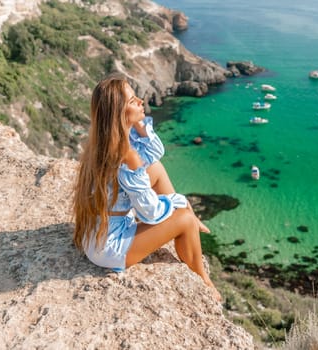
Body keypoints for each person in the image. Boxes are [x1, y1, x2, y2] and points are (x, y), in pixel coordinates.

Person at [72, 74, 220, 301]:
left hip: (96, 236)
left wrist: (138, 122)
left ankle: (188, 221)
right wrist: (181, 202)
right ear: (119, 114)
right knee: (185, 219)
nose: (141, 101)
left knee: (157, 168)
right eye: (133, 101)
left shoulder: (103, 144)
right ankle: (203, 280)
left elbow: (155, 154)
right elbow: (149, 213)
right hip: (110, 249)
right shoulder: (127, 154)